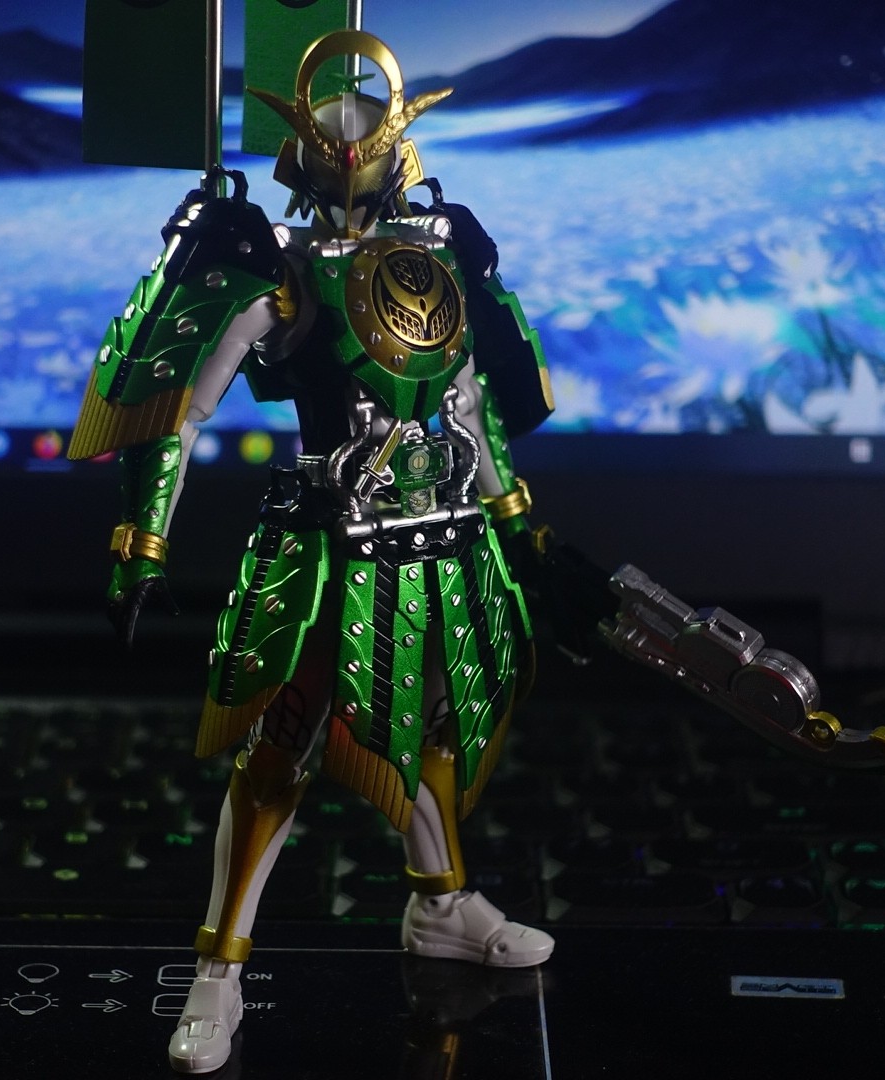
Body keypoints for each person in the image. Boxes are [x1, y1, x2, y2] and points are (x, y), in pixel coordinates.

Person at [66, 29, 562, 1075]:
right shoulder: (277, 270)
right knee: (281, 748)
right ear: (301, 155)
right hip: (330, 551)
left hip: (440, 537)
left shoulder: (440, 252)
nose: (348, 174)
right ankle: (219, 968)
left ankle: (442, 906)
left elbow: (469, 404)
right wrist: (141, 538)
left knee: (433, 724)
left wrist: (516, 518)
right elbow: (179, 409)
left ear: (396, 148)